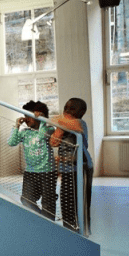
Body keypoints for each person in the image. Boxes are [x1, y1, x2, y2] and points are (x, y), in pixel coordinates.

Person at [50, 98, 94, 233]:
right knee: (66, 201)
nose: (67, 111)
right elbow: (53, 142)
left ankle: (83, 232)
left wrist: (56, 120)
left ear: (81, 112)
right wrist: (59, 127)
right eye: (66, 107)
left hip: (81, 169)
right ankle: (69, 230)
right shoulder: (63, 124)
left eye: (72, 108)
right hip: (66, 169)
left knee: (80, 202)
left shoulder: (80, 123)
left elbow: (72, 125)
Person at [8, 100, 56, 220]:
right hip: (30, 172)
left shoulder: (49, 129)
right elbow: (11, 142)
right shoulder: (25, 133)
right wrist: (16, 126)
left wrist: (43, 121)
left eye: (30, 116)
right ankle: (43, 221)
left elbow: (42, 136)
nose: (26, 119)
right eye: (25, 116)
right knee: (26, 200)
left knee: (48, 203)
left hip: (47, 172)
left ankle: (49, 226)